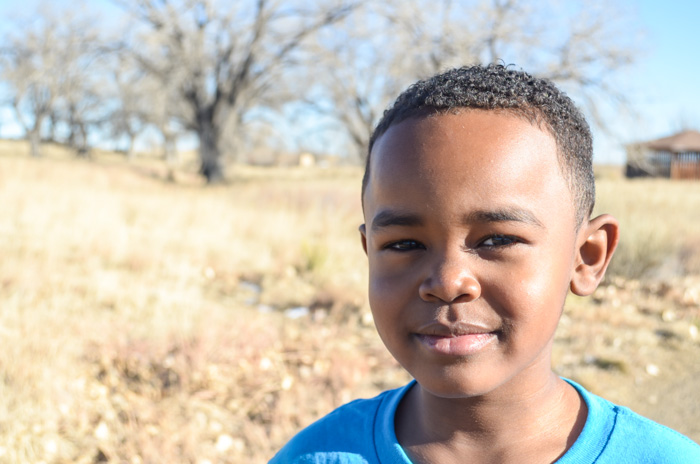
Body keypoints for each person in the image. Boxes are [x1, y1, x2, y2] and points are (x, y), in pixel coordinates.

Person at [270, 64, 700, 463]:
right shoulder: (316, 455)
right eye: (404, 244)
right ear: (369, 254)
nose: (447, 281)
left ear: (587, 257)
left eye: (497, 239)